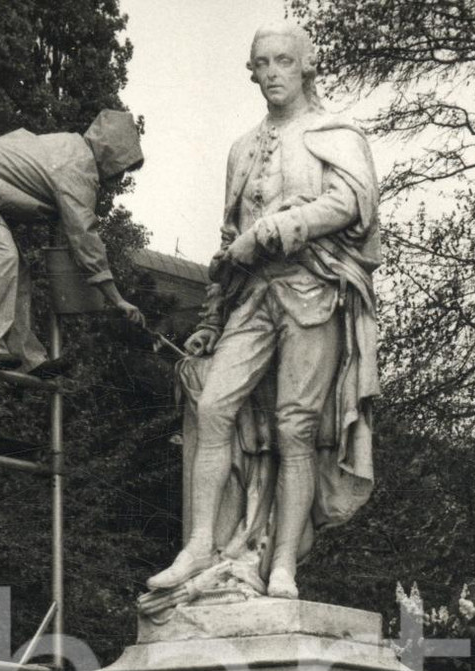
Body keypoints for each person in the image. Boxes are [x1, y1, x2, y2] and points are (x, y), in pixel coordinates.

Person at [145, 22, 381, 602]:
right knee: (213, 403)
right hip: (252, 297)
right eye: (262, 63)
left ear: (306, 66)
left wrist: (278, 228)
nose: (272, 72)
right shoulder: (243, 149)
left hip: (315, 292)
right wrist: (207, 322)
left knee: (296, 428)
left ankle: (282, 567)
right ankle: (201, 543)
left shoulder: (334, 132)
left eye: (283, 60)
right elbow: (228, 243)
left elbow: (352, 201)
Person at [0, 109, 146, 375]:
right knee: (0, 259)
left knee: (17, 271)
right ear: (111, 154)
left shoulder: (71, 147)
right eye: (122, 168)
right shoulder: (77, 167)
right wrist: (117, 299)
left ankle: (29, 359)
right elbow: (84, 235)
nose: (120, 178)